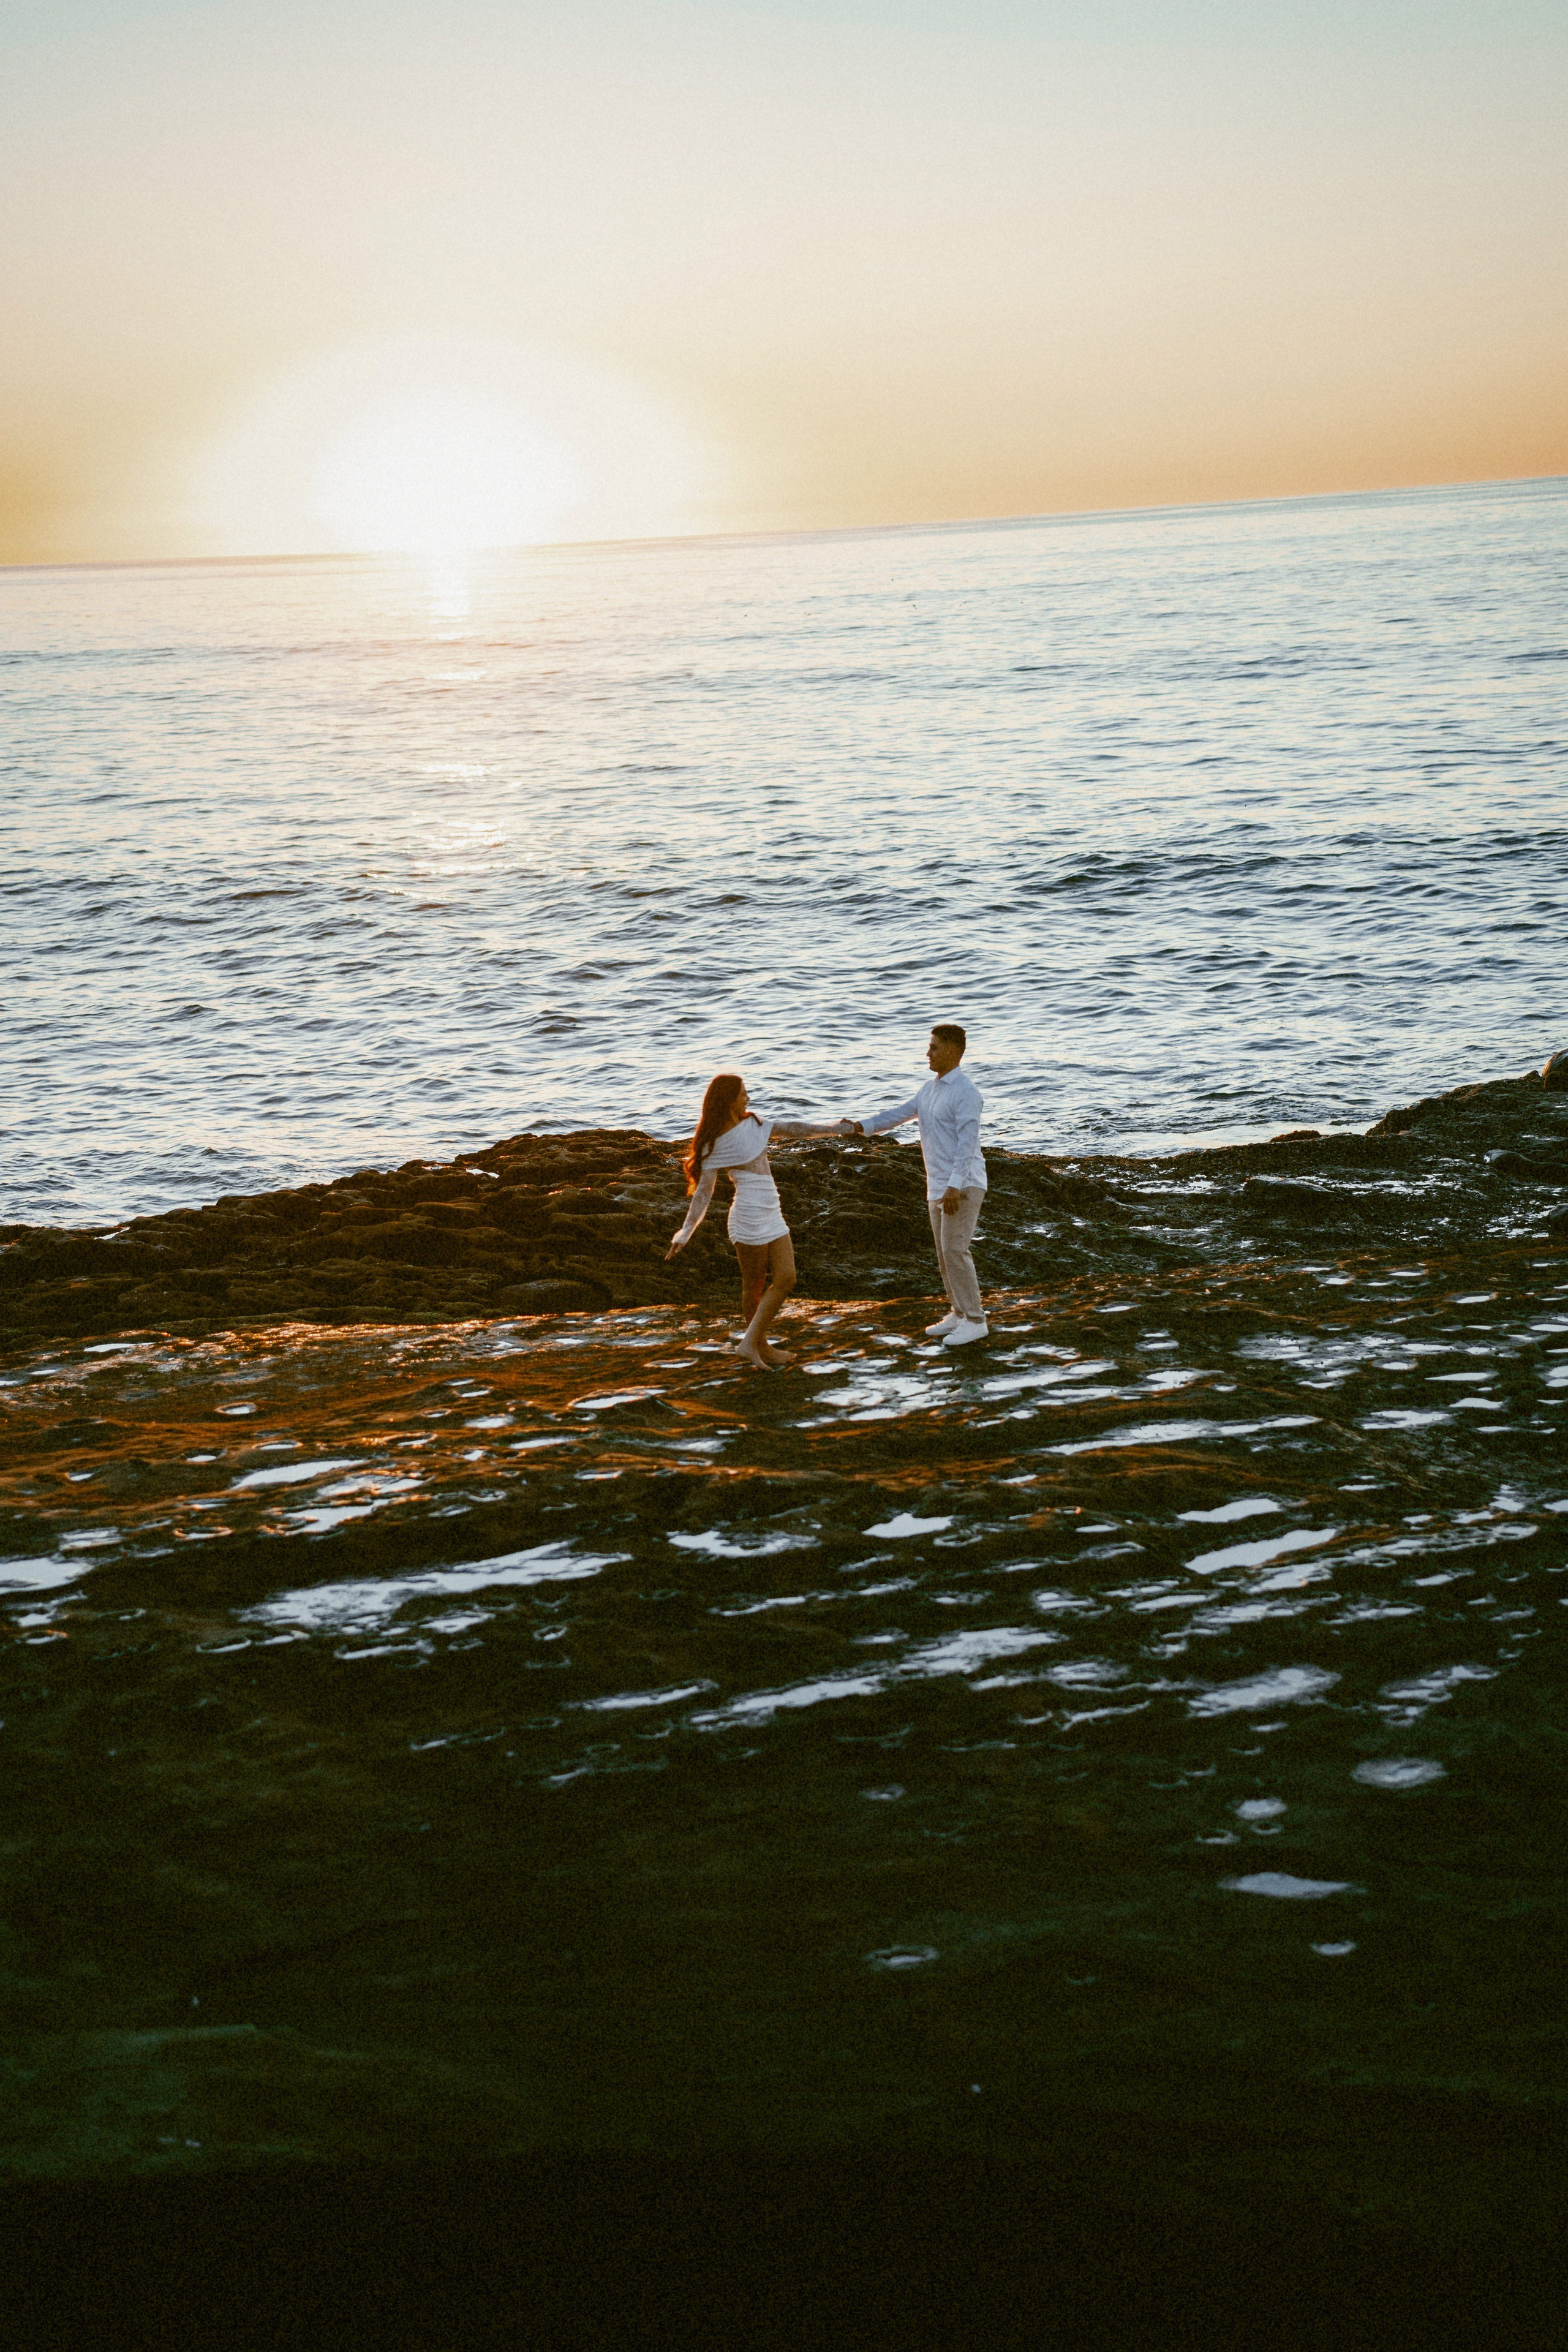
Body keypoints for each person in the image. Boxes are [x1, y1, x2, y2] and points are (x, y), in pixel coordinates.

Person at [666, 1073, 853, 1370]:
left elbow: (795, 1129)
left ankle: (750, 1343)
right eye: (744, 1093)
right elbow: (704, 1194)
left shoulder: (754, 1124)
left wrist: (837, 1129)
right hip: (747, 1215)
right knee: (753, 1286)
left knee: (787, 1278)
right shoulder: (714, 1145)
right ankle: (759, 1346)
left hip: (772, 1211)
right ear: (729, 1100)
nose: (748, 1098)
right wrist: (684, 1233)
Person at [854, 1025, 988, 1348]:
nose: (928, 1053)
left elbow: (967, 1144)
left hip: (963, 1185)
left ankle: (976, 1320)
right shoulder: (929, 1090)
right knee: (944, 1255)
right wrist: (861, 1126)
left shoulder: (967, 1092)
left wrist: (954, 1186)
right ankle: (958, 1312)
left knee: (956, 1251)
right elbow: (899, 1114)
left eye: (934, 1048)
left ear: (952, 1051)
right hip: (937, 1185)